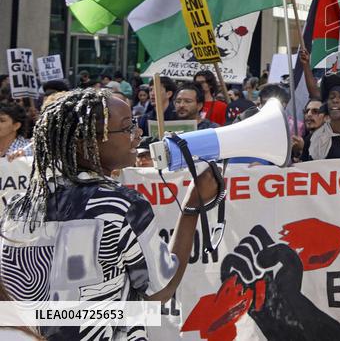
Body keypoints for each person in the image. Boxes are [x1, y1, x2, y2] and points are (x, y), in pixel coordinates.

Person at [0, 89, 219, 340]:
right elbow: (160, 290)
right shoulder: (120, 205)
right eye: (127, 128)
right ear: (86, 142)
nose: (137, 134)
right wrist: (192, 206)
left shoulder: (16, 206)